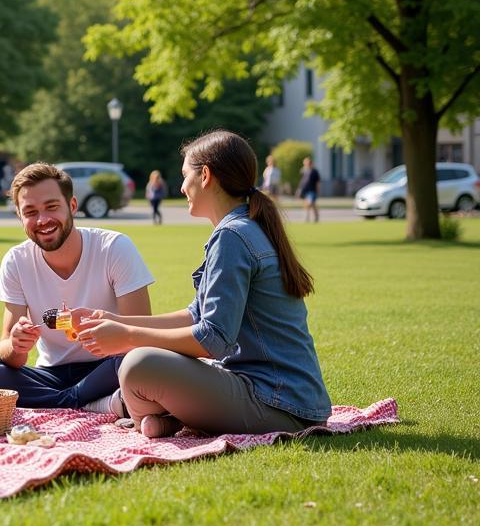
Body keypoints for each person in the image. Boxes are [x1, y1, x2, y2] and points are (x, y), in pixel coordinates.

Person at [75, 130, 332, 438]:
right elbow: (196, 316)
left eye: (185, 176)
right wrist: (118, 320)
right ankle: (169, 420)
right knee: (142, 365)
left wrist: (128, 336)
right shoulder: (241, 229)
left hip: (278, 404)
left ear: (206, 175)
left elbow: (213, 340)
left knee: (138, 365)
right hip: (282, 399)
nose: (182, 187)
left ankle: (164, 417)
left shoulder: (233, 236)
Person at [0, 162, 155, 412]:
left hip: (109, 367)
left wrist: (100, 331)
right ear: (19, 216)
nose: (43, 220)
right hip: (51, 375)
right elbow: (8, 351)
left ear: (72, 206)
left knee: (141, 361)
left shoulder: (114, 248)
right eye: (30, 212)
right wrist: (17, 344)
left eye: (52, 207)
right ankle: (87, 403)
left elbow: (141, 335)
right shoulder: (17, 261)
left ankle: (66, 402)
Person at [297, 156, 321, 222]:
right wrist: (299, 190)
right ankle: (311, 217)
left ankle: (311, 217)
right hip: (305, 190)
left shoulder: (315, 171)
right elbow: (301, 181)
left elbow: (318, 182)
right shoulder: (303, 171)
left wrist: (318, 190)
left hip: (312, 190)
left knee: (310, 203)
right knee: (309, 204)